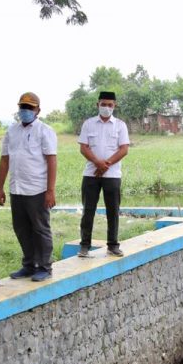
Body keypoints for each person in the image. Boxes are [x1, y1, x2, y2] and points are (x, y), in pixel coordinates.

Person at [0, 92, 57, 282]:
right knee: (21, 228)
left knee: (40, 229)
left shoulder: (44, 131)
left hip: (37, 189)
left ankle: (45, 267)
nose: (25, 111)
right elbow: (5, 160)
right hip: (17, 189)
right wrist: (0, 188)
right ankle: (29, 265)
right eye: (23, 107)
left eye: (30, 108)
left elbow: (52, 161)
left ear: (38, 110)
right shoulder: (11, 131)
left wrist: (50, 190)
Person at [77, 91, 130, 257]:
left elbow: (124, 149)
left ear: (114, 106)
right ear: (97, 104)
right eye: (103, 104)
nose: (106, 107)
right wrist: (98, 163)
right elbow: (83, 148)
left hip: (113, 175)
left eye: (110, 105)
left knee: (113, 211)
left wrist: (105, 165)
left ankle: (113, 245)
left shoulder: (120, 125)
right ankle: (85, 246)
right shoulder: (88, 124)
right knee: (88, 211)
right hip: (91, 174)